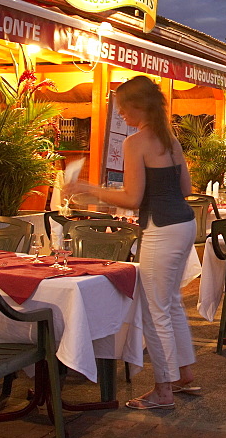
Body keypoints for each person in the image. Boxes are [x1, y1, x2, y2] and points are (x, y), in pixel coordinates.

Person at [66, 75, 197, 410]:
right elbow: (185, 189)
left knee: (155, 311)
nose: (122, 115)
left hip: (162, 229)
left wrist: (88, 190)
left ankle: (163, 390)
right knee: (170, 304)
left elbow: (132, 197)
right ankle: (184, 375)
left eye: (124, 109)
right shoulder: (170, 140)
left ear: (140, 107)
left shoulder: (135, 142)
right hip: (184, 223)